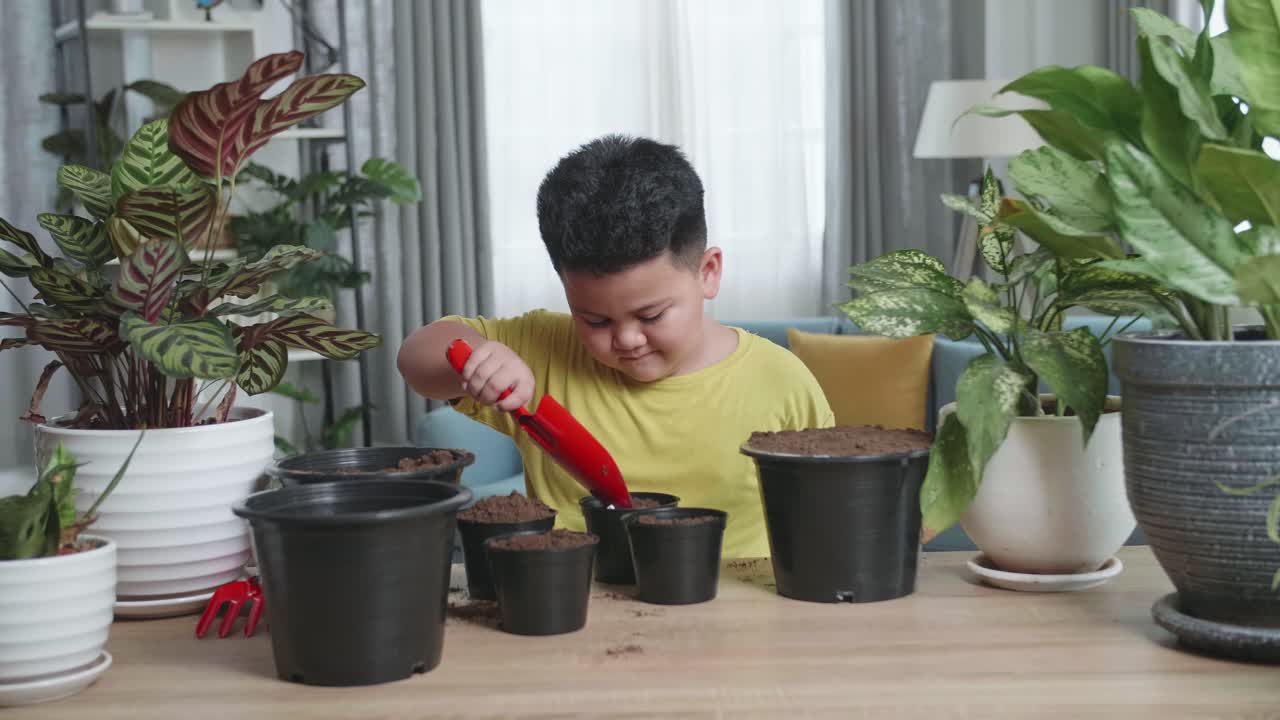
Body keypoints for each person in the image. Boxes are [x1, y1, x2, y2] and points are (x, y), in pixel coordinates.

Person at [397, 134, 833, 558]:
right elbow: (415, 359)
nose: (626, 339)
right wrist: (477, 357)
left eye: (651, 315)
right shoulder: (541, 351)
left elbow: (825, 516)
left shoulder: (782, 381)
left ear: (708, 272)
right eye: (595, 320)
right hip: (579, 612)